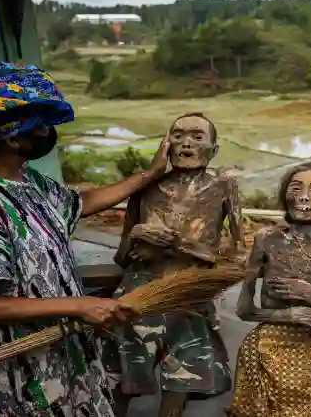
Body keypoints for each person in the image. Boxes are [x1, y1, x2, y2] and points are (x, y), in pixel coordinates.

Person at [0, 62, 171, 417]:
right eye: (41, 124)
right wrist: (79, 305)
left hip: (59, 358)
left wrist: (149, 174)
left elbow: (81, 203)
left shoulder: (30, 183)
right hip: (18, 376)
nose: (47, 132)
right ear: (11, 135)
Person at [106, 113, 244, 417]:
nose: (186, 144)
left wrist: (178, 244)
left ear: (214, 149)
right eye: (178, 135)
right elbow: (121, 256)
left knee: (181, 379)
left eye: (197, 137)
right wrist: (137, 235)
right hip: (139, 295)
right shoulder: (146, 187)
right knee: (124, 374)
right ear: (166, 144)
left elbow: (237, 255)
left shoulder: (223, 188)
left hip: (188, 295)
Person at [231, 161, 311, 417]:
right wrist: (286, 315)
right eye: (296, 187)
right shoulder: (266, 239)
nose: (303, 195)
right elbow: (244, 310)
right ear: (285, 195)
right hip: (266, 354)